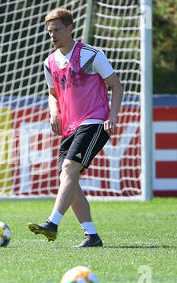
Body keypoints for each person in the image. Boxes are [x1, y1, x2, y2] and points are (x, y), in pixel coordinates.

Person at [28, 8, 123, 247]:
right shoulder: (49, 62)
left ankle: (52, 223)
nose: (53, 36)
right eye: (50, 32)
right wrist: (54, 112)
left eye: (57, 30)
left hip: (95, 122)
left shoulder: (90, 55)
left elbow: (116, 86)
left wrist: (112, 116)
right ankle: (91, 236)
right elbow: (52, 93)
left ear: (70, 28)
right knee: (68, 180)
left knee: (70, 168)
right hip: (70, 127)